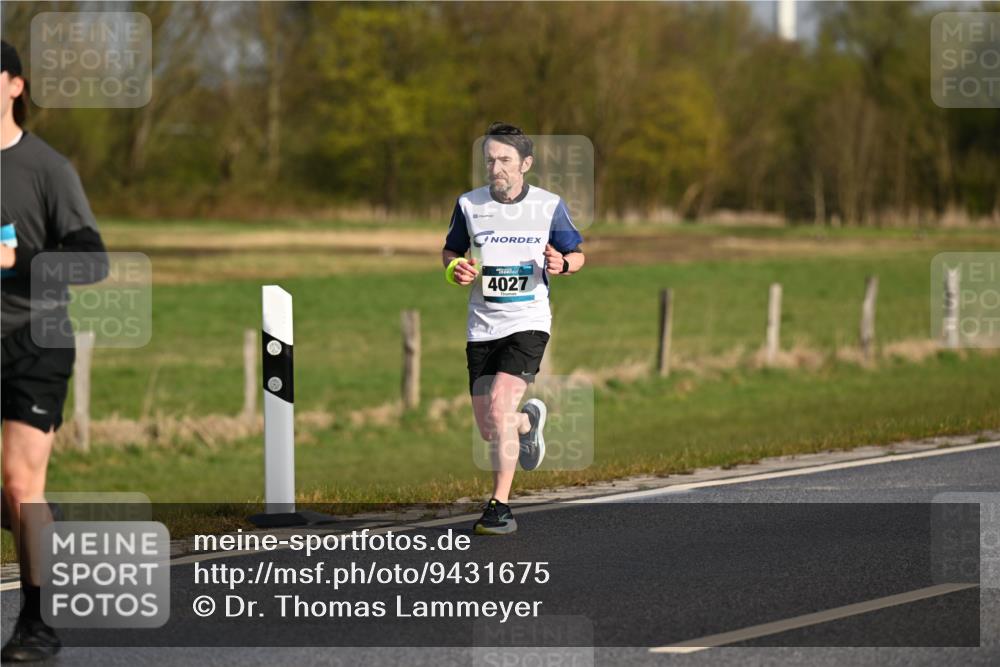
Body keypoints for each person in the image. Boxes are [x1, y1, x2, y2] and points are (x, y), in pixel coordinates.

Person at [1, 40, 108, 662]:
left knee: (20, 484)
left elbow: (92, 261)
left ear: (15, 85)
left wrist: (17, 261)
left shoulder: (46, 168)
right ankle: (37, 517)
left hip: (36, 339)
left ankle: (37, 624)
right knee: (21, 499)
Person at [442, 122, 585, 535]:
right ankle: (527, 424)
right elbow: (451, 250)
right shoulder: (469, 204)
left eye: (505, 159)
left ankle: (499, 506)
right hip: (482, 326)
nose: (496, 168)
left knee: (500, 407)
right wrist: (455, 268)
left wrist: (563, 263)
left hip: (529, 322)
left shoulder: (548, 205)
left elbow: (577, 254)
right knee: (491, 425)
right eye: (490, 160)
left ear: (526, 163)